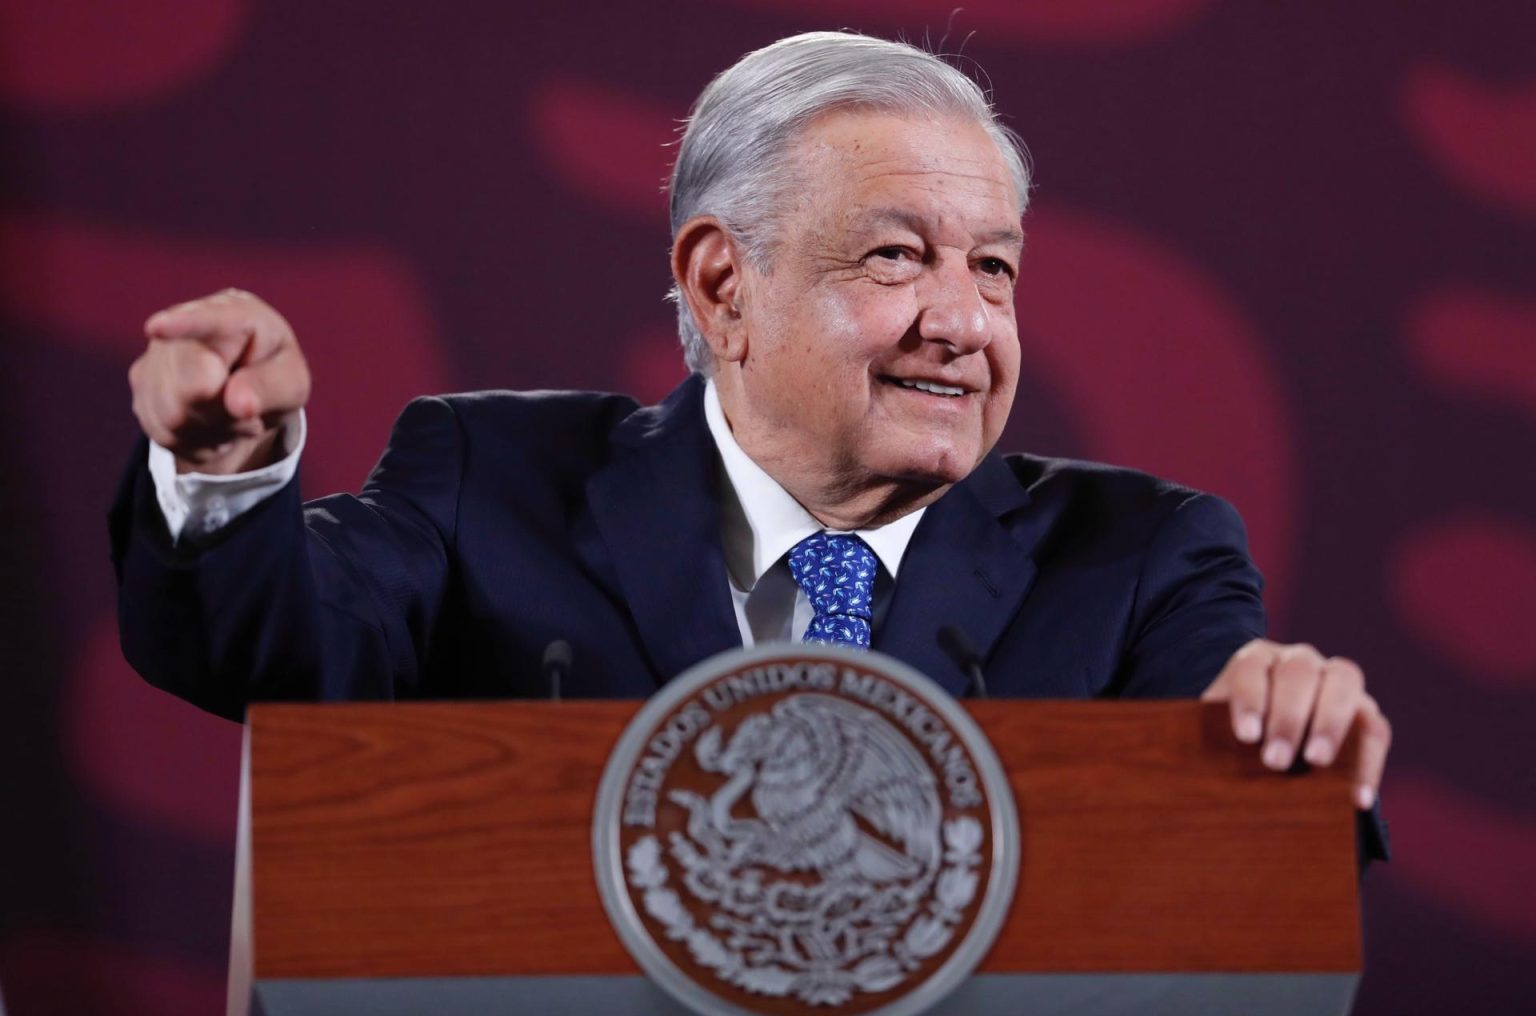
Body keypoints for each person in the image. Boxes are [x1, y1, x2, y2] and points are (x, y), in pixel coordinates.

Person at [113, 31, 1390, 814]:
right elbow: (266, 649)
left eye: (994, 268)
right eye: (898, 256)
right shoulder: (488, 483)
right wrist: (224, 469)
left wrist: (1288, 740)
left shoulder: (1144, 557)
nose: (963, 321)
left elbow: (1260, 854)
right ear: (723, 284)